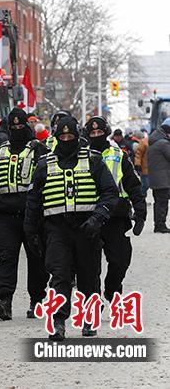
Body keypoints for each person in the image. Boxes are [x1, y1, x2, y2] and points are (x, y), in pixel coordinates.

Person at [24, 116, 118, 340]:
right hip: (57, 229)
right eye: (62, 136)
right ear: (56, 137)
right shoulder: (45, 163)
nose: (66, 139)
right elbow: (33, 201)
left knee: (89, 276)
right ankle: (58, 322)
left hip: (88, 228)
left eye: (70, 135)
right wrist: (30, 232)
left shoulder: (93, 161)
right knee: (60, 275)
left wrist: (98, 218)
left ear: (77, 135)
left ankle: (89, 319)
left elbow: (109, 193)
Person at [0, 108, 49, 320]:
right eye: (13, 127)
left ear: (27, 126)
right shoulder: (0, 151)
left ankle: (37, 300)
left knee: (37, 258)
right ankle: (4, 300)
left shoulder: (39, 150)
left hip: (33, 215)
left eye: (20, 126)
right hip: (6, 215)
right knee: (6, 258)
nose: (17, 129)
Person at [83, 117, 146, 302]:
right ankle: (93, 303)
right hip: (89, 216)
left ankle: (112, 288)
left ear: (106, 132)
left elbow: (133, 185)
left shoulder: (119, 155)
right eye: (92, 133)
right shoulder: (81, 156)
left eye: (99, 132)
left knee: (120, 260)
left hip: (115, 216)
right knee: (90, 265)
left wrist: (140, 213)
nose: (96, 136)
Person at [147, 118, 170, 233]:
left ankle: (158, 224)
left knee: (159, 202)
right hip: (162, 179)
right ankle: (160, 225)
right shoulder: (163, 143)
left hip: (157, 179)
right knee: (162, 203)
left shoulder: (155, 141)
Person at [134, 130, 149, 195]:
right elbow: (138, 154)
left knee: (148, 184)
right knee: (145, 184)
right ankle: (141, 196)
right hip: (144, 168)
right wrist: (137, 164)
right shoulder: (144, 142)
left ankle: (142, 196)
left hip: (152, 168)